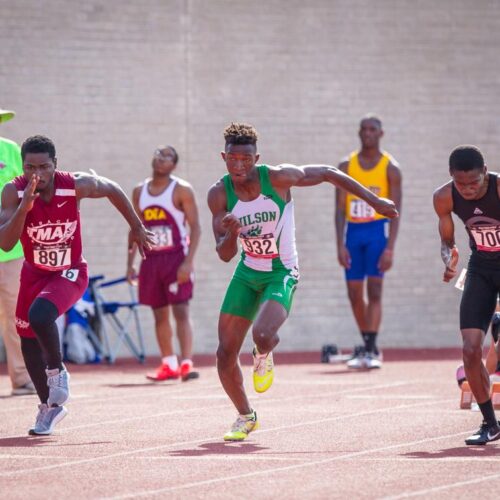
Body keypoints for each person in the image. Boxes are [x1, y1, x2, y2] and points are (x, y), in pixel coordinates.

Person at [207, 122, 398, 441]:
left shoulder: (278, 177)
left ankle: (263, 351)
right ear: (223, 157)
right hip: (247, 272)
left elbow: (326, 172)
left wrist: (375, 202)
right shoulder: (219, 194)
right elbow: (224, 254)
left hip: (281, 271)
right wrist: (233, 233)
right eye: (233, 159)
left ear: (257, 158)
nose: (239, 165)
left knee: (263, 333)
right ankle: (245, 415)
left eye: (246, 159)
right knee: (225, 352)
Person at [0, 135, 154, 435]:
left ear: (55, 165)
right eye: (30, 168)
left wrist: (135, 225)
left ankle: (57, 372)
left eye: (44, 167)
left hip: (69, 271)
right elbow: (5, 244)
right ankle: (49, 409)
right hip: (34, 272)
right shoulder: (13, 191)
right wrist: (24, 208)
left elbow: (111, 188)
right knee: (27, 340)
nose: (37, 175)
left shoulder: (74, 185)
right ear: (22, 166)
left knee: (41, 315)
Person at [433, 145, 500, 445]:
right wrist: (449, 258)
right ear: (451, 178)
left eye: (474, 183)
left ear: (485, 172)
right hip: (481, 268)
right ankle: (490, 422)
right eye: (461, 184)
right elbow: (448, 241)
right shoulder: (444, 197)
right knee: (471, 350)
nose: (468, 190)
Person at [127, 145, 201, 381]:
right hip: (151, 259)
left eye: (168, 156)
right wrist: (130, 262)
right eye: (158, 153)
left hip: (176, 257)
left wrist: (188, 263)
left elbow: (196, 227)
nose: (161, 158)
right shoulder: (140, 191)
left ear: (174, 165)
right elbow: (135, 228)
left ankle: (186, 363)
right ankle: (168, 364)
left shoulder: (181, 190)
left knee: (181, 310)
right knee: (159, 314)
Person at [335, 115, 402, 369]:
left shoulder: (390, 168)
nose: (367, 133)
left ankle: (371, 347)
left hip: (377, 233)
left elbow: (396, 210)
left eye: (373, 129)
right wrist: (339, 244)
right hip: (353, 233)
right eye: (363, 129)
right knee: (354, 293)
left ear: (381, 134)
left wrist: (390, 247)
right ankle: (365, 343)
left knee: (374, 290)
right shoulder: (346, 165)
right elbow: (339, 209)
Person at [0, 108, 36, 396]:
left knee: (16, 315)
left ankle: (22, 378)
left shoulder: (11, 150)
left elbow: (28, 186)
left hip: (11, 251)